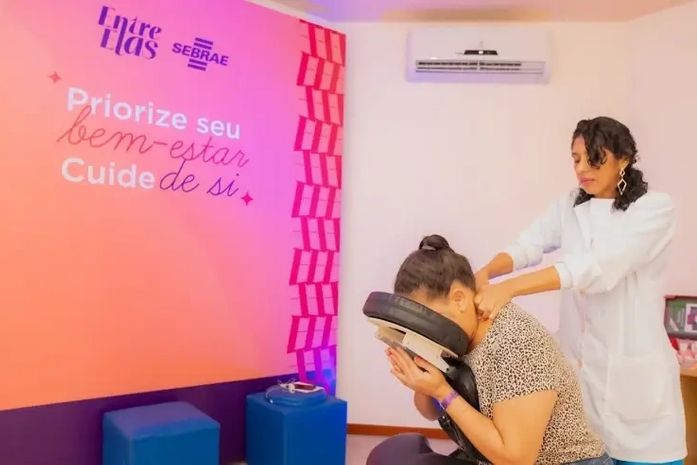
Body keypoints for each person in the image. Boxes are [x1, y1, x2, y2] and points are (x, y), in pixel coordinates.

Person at [474, 116, 686, 465]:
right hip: (579, 382)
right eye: (576, 159)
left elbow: (596, 267)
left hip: (636, 384)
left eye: (594, 158)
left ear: (623, 158)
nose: (582, 168)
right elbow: (529, 244)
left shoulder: (654, 209)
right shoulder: (570, 204)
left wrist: (510, 288)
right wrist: (486, 271)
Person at [374, 234, 610, 465]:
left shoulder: (516, 344)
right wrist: (424, 385)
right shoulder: (453, 334)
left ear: (459, 299)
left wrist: (443, 392)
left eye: (426, 318)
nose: (425, 329)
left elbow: (516, 459)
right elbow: (430, 412)